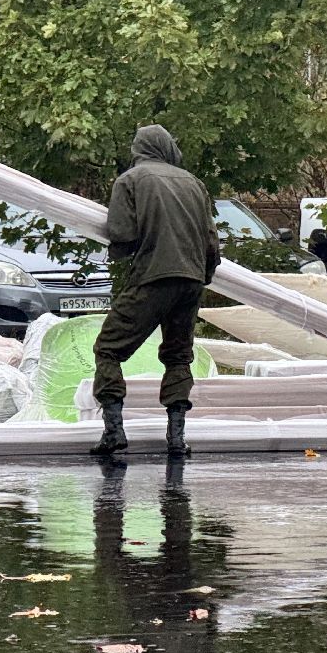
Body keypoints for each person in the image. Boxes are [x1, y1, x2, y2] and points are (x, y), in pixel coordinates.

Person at [90, 124, 220, 456]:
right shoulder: (193, 182)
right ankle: (176, 439)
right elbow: (211, 243)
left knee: (108, 350)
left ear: (140, 149)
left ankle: (114, 432)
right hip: (191, 282)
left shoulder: (130, 181)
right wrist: (198, 278)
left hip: (153, 277)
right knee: (178, 356)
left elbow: (122, 234)